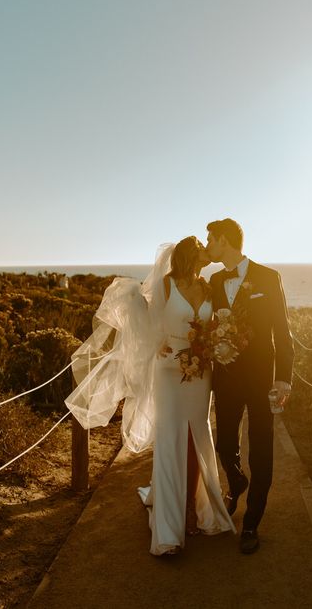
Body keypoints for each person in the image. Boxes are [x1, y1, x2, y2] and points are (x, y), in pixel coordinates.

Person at [65, 237, 235, 556]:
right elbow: (148, 323)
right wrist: (157, 343)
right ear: (189, 253)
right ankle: (169, 530)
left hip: (202, 373)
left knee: (198, 435)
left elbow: (213, 326)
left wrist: (214, 345)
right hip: (169, 369)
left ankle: (200, 510)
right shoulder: (166, 286)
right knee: (170, 438)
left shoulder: (211, 287)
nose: (206, 251)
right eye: (201, 246)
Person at [206, 218, 294, 555]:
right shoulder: (214, 281)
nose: (208, 245)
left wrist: (283, 377)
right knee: (225, 444)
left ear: (225, 240)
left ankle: (252, 522)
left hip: (261, 380)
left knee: (262, 450)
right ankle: (236, 480)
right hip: (225, 379)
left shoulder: (268, 278)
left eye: (211, 239)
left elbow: (282, 333)